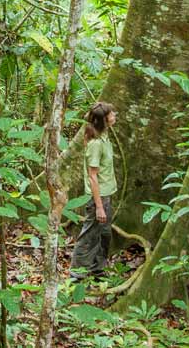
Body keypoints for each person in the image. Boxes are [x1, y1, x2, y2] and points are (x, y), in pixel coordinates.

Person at [70, 101, 117, 280]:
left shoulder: (103, 135)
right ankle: (76, 275)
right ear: (104, 119)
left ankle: (98, 269)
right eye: (112, 114)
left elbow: (88, 117)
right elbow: (92, 176)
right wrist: (98, 206)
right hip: (98, 197)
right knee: (89, 235)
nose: (115, 116)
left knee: (104, 234)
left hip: (106, 193)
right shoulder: (95, 143)